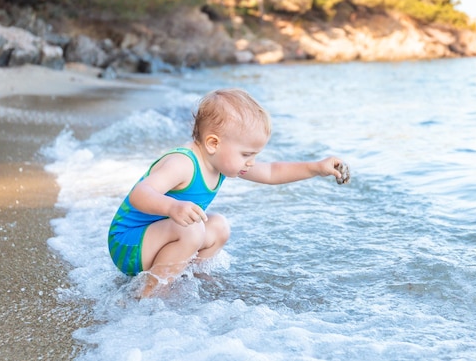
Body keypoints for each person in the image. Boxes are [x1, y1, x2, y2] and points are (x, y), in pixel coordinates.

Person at [108, 88, 350, 296]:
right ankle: (147, 293)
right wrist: (172, 207)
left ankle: (185, 279)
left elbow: (272, 172)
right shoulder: (183, 163)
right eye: (247, 154)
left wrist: (317, 168)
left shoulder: (222, 162)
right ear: (214, 143)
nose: (252, 162)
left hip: (158, 239)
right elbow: (140, 194)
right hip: (128, 243)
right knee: (192, 228)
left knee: (219, 226)